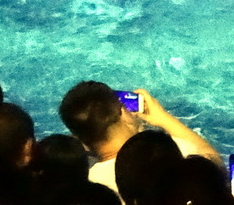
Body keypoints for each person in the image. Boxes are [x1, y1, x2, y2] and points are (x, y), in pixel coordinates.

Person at [58, 81, 222, 201]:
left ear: (78, 138)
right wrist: (162, 118)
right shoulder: (176, 153)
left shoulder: (89, 190)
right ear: (123, 112)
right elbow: (215, 164)